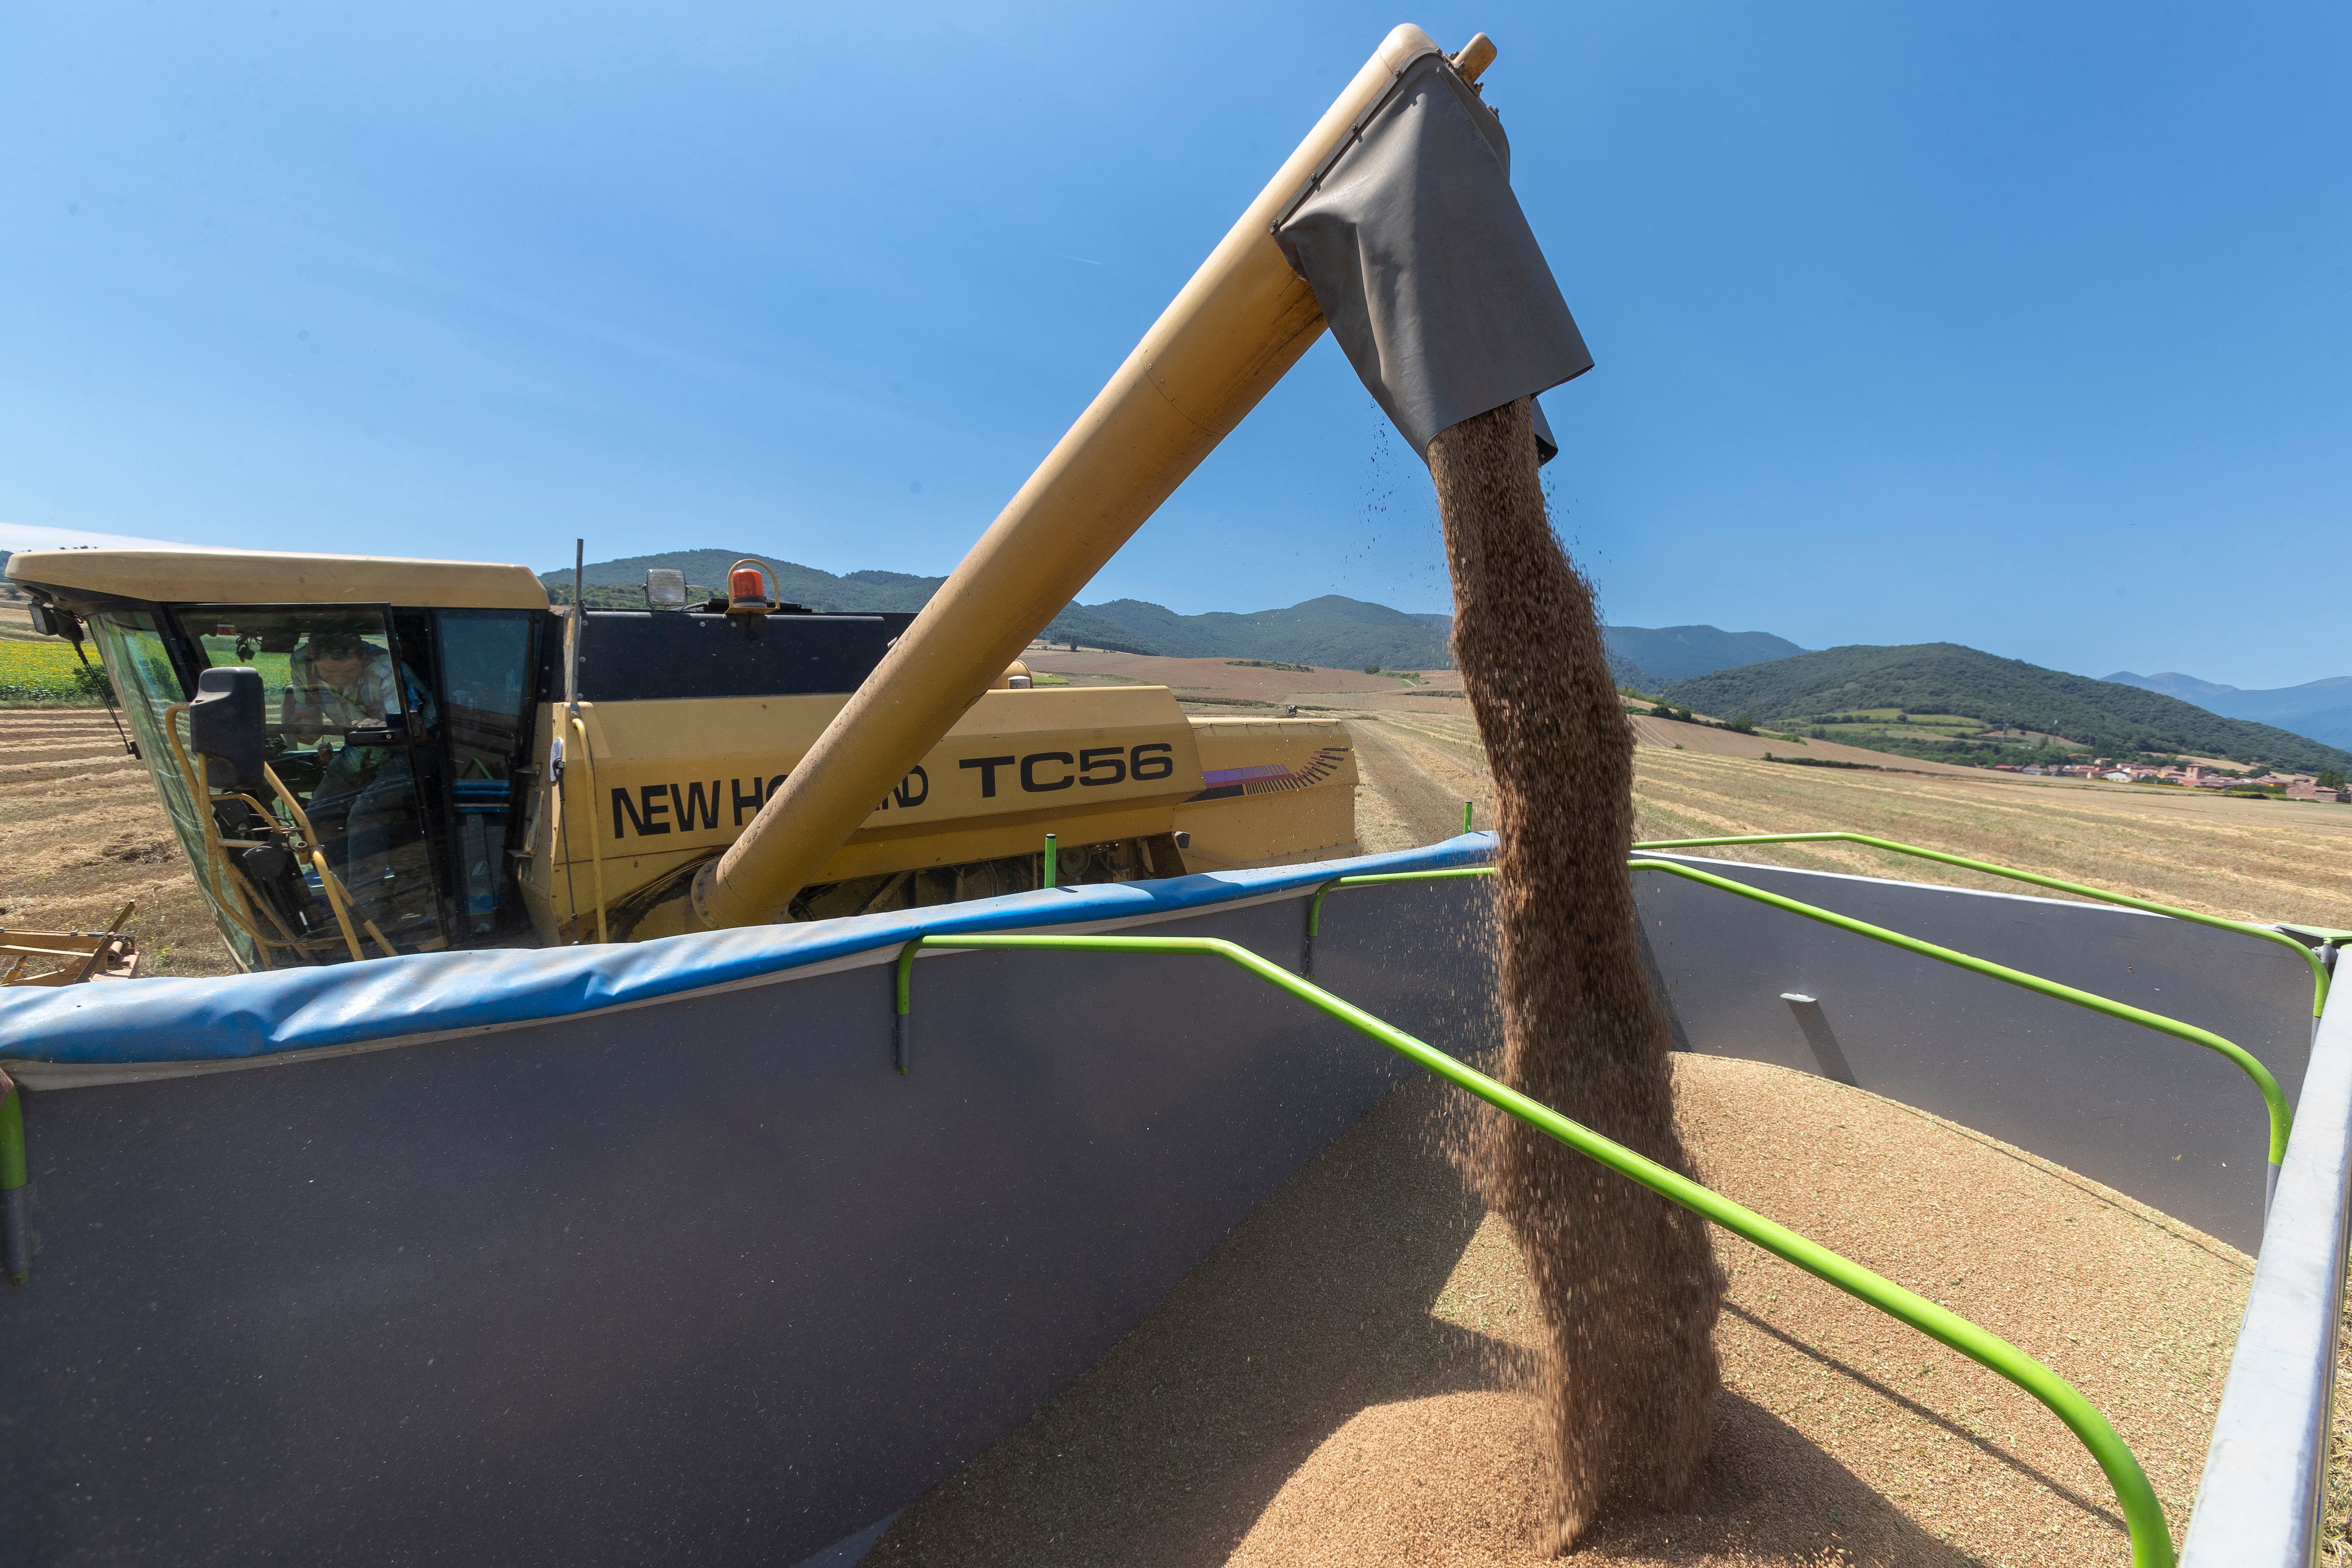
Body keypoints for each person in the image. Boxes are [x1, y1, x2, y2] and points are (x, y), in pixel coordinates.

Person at [281, 629, 437, 940]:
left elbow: (415, 731)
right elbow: (308, 719)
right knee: (316, 818)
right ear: (314, 662)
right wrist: (300, 724)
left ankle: (366, 915)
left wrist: (381, 726)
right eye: (328, 672)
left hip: (413, 749)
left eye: (349, 672)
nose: (338, 679)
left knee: (365, 814)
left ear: (363, 659)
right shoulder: (302, 662)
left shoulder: (385, 669)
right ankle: (353, 894)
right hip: (362, 748)